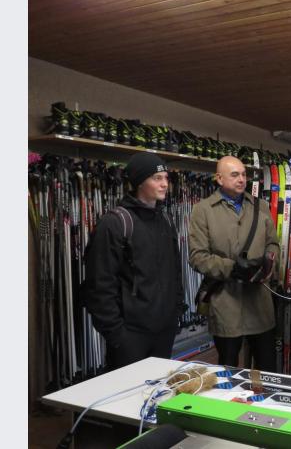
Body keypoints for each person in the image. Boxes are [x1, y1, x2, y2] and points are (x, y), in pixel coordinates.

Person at [83, 152, 184, 371]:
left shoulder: (165, 220)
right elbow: (99, 284)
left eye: (166, 178)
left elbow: (175, 271)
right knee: (125, 402)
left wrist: (175, 313)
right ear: (139, 182)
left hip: (164, 332)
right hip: (130, 336)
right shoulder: (116, 223)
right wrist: (117, 334)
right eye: (157, 179)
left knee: (157, 394)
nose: (165, 184)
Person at [188, 155, 278, 370]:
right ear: (219, 178)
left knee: (267, 368)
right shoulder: (203, 210)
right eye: (235, 174)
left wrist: (267, 265)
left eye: (244, 174)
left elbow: (273, 244)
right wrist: (233, 268)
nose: (241, 179)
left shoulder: (260, 207)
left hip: (260, 302)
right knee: (228, 369)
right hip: (225, 302)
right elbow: (197, 256)